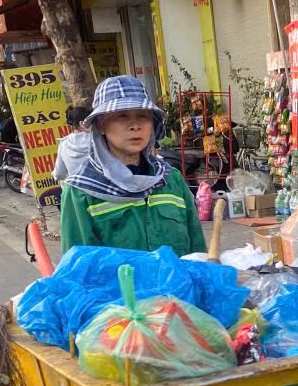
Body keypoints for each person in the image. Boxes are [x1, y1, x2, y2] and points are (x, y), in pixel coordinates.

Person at [60, 76, 206, 257]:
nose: (135, 126)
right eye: (122, 115)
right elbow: (78, 266)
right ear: (101, 125)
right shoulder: (80, 193)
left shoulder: (171, 180)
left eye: (143, 116)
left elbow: (197, 255)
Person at [53, 102, 93, 183]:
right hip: (101, 187)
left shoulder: (64, 144)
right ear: (83, 123)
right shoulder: (97, 140)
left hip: (77, 188)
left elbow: (59, 174)